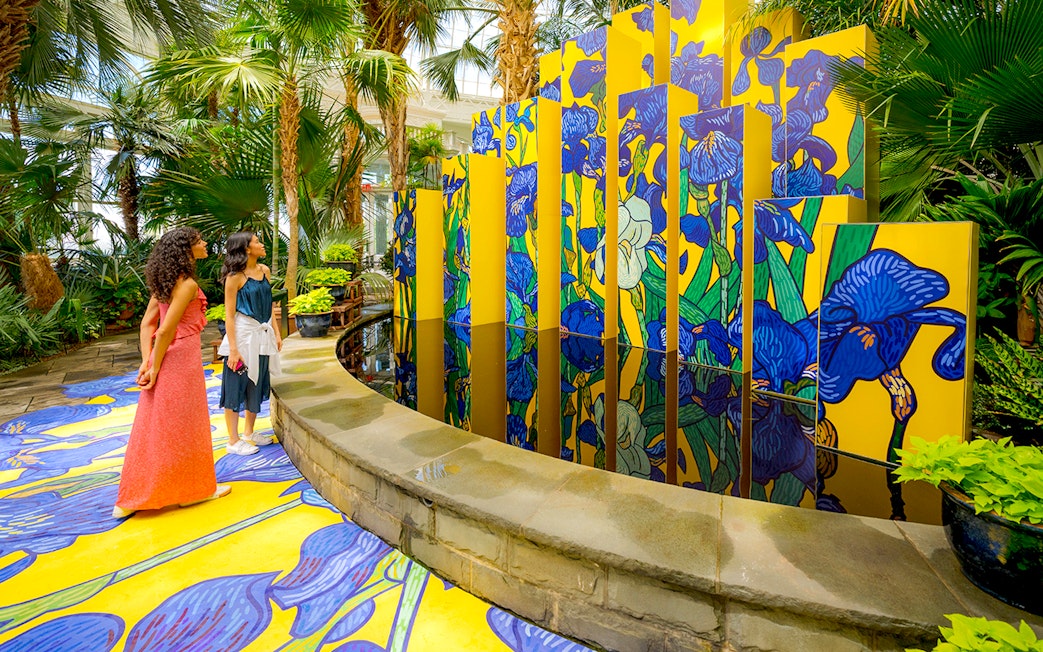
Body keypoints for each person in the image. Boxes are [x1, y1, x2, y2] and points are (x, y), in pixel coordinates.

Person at [113, 228, 230, 518]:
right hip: (180, 358)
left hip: (164, 355)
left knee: (155, 422)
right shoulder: (187, 284)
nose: (204, 244)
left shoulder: (164, 282)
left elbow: (146, 326)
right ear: (187, 250)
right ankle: (195, 491)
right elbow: (165, 329)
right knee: (189, 422)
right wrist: (152, 364)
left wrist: (148, 361)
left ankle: (135, 495)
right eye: (199, 241)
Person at [218, 231, 282, 455]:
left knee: (257, 383)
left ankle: (249, 432)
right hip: (243, 337)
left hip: (262, 335)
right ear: (246, 248)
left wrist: (276, 333)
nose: (261, 244)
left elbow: (270, 304)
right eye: (256, 242)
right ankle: (233, 440)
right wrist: (233, 350)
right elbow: (229, 315)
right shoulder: (235, 278)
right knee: (235, 386)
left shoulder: (264, 271)